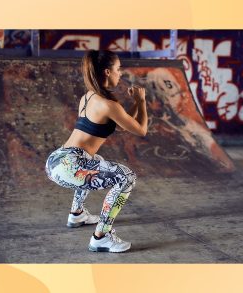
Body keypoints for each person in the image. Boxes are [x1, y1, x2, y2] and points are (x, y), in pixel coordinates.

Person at [45, 49, 147, 253]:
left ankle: (77, 214)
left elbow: (121, 124)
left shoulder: (88, 97)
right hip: (71, 167)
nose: (121, 73)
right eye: (118, 69)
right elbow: (141, 130)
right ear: (108, 72)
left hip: (56, 162)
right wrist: (142, 101)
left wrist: (134, 104)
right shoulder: (109, 104)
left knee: (95, 160)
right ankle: (101, 237)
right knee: (126, 177)